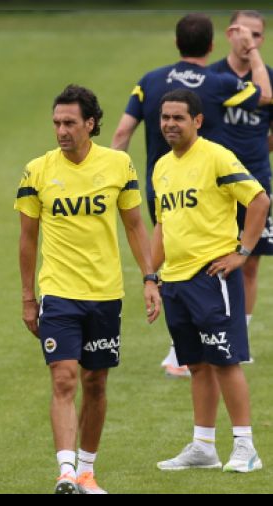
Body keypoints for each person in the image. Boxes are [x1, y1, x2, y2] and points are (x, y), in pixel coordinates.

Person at [16, 85, 162, 494]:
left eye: (69, 123)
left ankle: (86, 472)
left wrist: (150, 278)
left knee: (95, 383)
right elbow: (28, 239)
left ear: (91, 124)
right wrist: (28, 297)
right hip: (59, 292)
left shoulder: (118, 165)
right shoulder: (37, 171)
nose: (61, 131)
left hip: (105, 294)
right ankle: (65, 472)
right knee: (64, 379)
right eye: (56, 123)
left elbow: (134, 225)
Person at [111, 12, 270, 377]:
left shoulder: (150, 81)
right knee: (213, 264)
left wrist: (113, 182)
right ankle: (220, 345)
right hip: (211, 187)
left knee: (171, 260)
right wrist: (252, 52)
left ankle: (179, 350)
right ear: (212, 45)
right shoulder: (218, 82)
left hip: (161, 186)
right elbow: (265, 94)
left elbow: (121, 134)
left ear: (176, 42)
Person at [152, 89, 268, 474]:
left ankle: (246, 447)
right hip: (174, 281)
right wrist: (151, 276)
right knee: (197, 365)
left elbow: (259, 200)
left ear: (197, 121)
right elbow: (162, 224)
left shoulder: (217, 156)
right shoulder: (161, 166)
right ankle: (203, 446)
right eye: (165, 117)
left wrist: (243, 252)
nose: (169, 124)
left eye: (178, 118)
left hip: (211, 277)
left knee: (225, 361)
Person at [209, 10, 273, 343]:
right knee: (208, 259)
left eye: (256, 35)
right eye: (242, 32)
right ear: (229, 33)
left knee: (249, 264)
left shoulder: (269, 78)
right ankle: (205, 334)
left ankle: (240, 338)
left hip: (256, 183)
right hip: (215, 185)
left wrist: (255, 151)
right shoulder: (211, 77)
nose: (248, 40)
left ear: (263, 39)